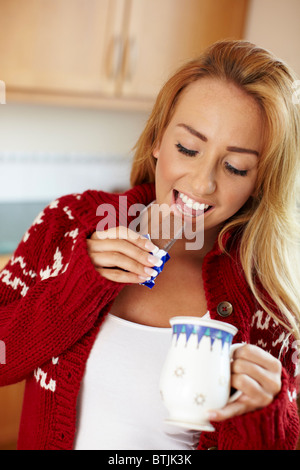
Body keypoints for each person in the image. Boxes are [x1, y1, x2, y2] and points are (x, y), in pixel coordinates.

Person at [0, 39, 299, 450]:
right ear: (158, 139)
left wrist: (268, 414)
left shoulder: (268, 304)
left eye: (235, 167)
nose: (202, 182)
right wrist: (76, 288)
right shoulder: (68, 226)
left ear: (259, 181)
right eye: (188, 148)